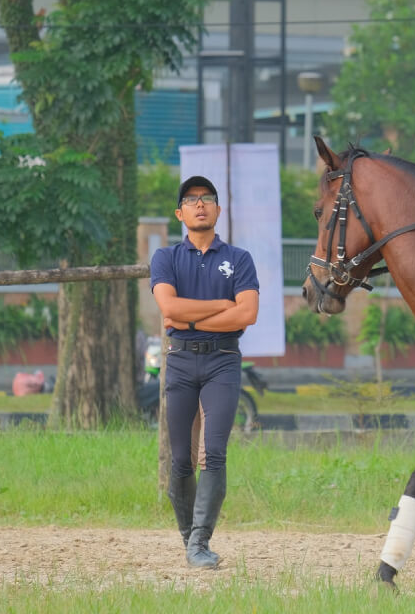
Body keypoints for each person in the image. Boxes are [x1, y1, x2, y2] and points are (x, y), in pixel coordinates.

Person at [150, 175, 259, 568]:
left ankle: (200, 542)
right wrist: (220, 306)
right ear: (180, 213)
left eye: (207, 198)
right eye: (191, 199)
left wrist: (190, 318)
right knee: (180, 458)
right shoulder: (165, 258)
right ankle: (189, 538)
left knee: (212, 453)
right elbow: (169, 308)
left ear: (218, 210)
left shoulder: (239, 259)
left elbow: (247, 313)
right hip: (180, 361)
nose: (200, 204)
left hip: (222, 361)